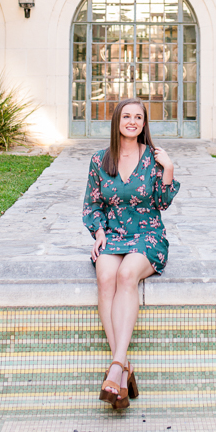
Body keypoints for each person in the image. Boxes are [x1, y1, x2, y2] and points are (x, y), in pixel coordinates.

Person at [82, 97, 180, 410]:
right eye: (127, 116)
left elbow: (163, 203)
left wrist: (169, 168)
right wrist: (98, 232)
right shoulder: (101, 160)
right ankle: (123, 369)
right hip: (112, 234)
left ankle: (115, 368)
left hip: (148, 234)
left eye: (139, 117)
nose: (133, 121)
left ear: (144, 124)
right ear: (117, 121)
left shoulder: (154, 157)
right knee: (105, 275)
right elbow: (92, 204)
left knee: (126, 275)